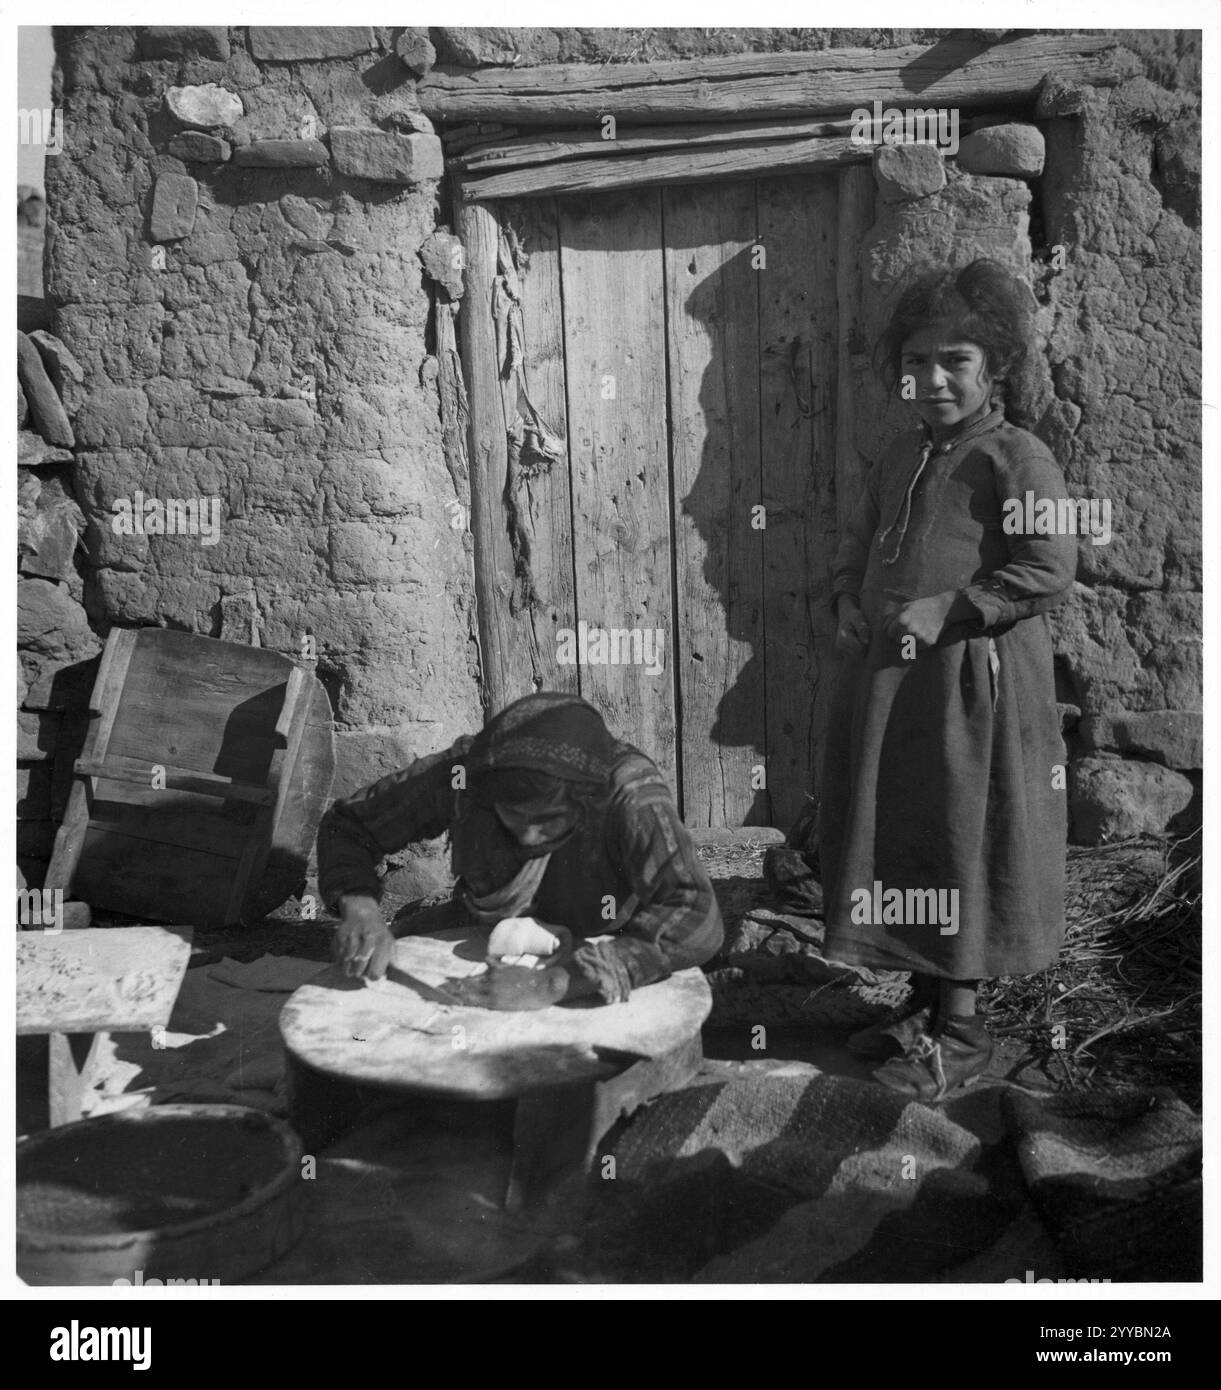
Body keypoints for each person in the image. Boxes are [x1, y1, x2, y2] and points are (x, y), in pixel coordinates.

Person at [820, 258, 1078, 1101]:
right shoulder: (898, 455)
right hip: (896, 687)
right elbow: (859, 547)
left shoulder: (1016, 456)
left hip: (974, 685)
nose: (931, 379)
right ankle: (919, 1003)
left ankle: (961, 1032)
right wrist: (843, 602)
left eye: (953, 362)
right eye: (917, 362)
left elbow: (1047, 567)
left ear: (993, 367)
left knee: (963, 836)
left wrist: (952, 609)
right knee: (905, 832)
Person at [316, 691, 723, 1010]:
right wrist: (362, 913)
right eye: (513, 816)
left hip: (602, 938)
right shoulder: (468, 774)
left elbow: (696, 914)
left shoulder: (627, 794)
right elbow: (349, 825)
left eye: (549, 820)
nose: (529, 838)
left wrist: (555, 982)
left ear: (585, 800)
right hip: (481, 932)